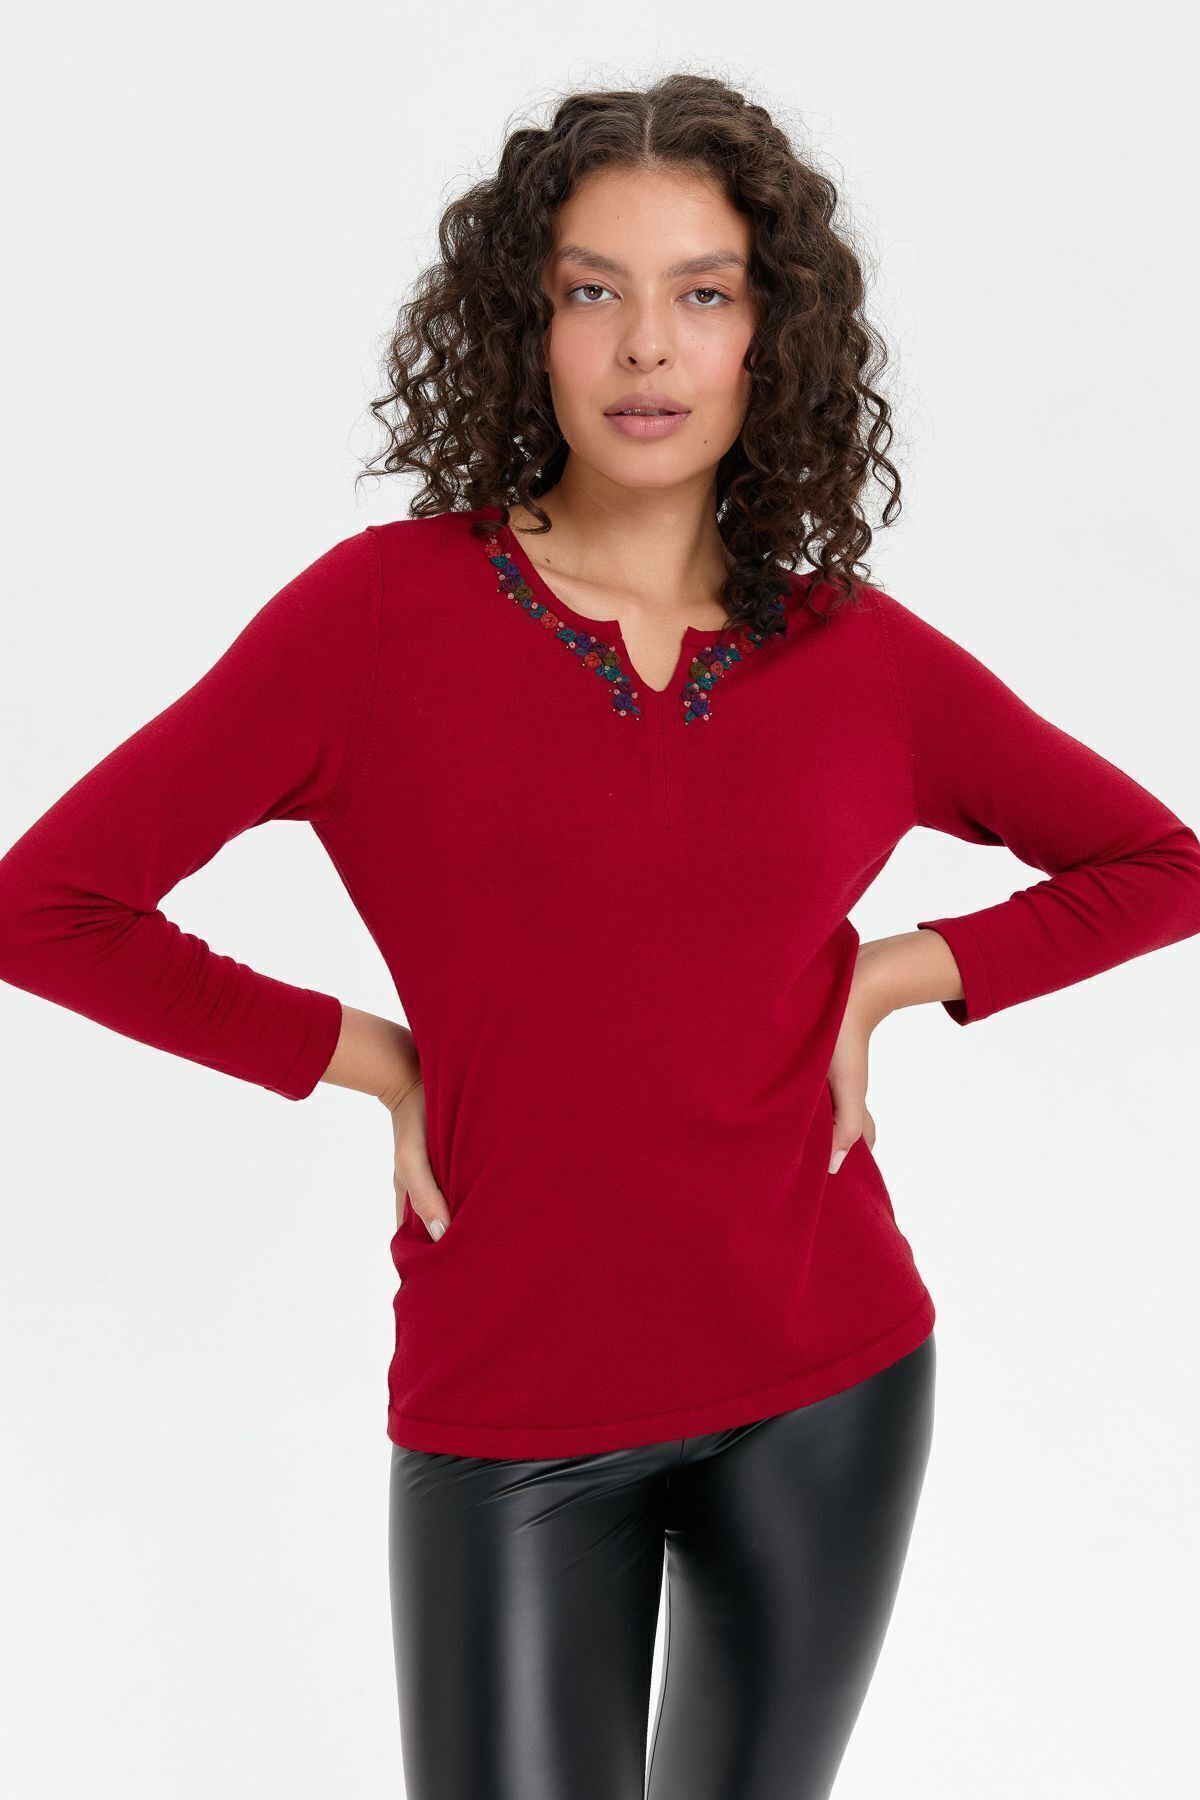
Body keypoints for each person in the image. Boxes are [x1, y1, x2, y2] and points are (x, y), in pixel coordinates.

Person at [2, 70, 1199, 1800]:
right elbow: (49, 902)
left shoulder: (857, 657)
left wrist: (895, 975)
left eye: (702, 292)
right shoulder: (379, 618)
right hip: (510, 1409)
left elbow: (1158, 863)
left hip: (828, 1380)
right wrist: (368, 1059)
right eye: (593, 291)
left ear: (769, 334)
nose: (648, 345)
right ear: (528, 325)